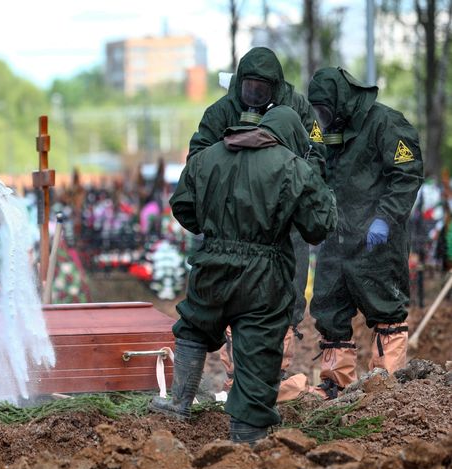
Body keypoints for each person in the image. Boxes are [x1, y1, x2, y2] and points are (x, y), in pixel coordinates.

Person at [150, 106, 337, 444]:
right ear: (292, 137)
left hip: (212, 265)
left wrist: (216, 230)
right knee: (257, 348)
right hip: (263, 276)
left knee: (194, 327)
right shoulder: (293, 166)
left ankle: (178, 404)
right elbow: (318, 227)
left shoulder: (209, 157)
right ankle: (246, 436)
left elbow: (182, 206)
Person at [186, 46, 325, 399]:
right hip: (231, 221)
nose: (253, 95)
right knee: (217, 298)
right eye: (248, 87)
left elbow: (316, 157)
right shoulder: (221, 111)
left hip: (281, 221)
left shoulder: (298, 109)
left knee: (285, 294)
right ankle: (239, 382)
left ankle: (269, 378)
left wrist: (295, 194)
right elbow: (197, 162)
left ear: (275, 87)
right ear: (239, 84)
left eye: (261, 88)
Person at [307, 67, 423, 398]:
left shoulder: (386, 124)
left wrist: (385, 217)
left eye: (324, 110)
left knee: (385, 306)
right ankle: (335, 381)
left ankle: (385, 383)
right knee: (329, 305)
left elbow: (407, 173)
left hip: (378, 240)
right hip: (337, 234)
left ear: (341, 102)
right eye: (317, 110)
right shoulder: (329, 130)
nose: (321, 117)